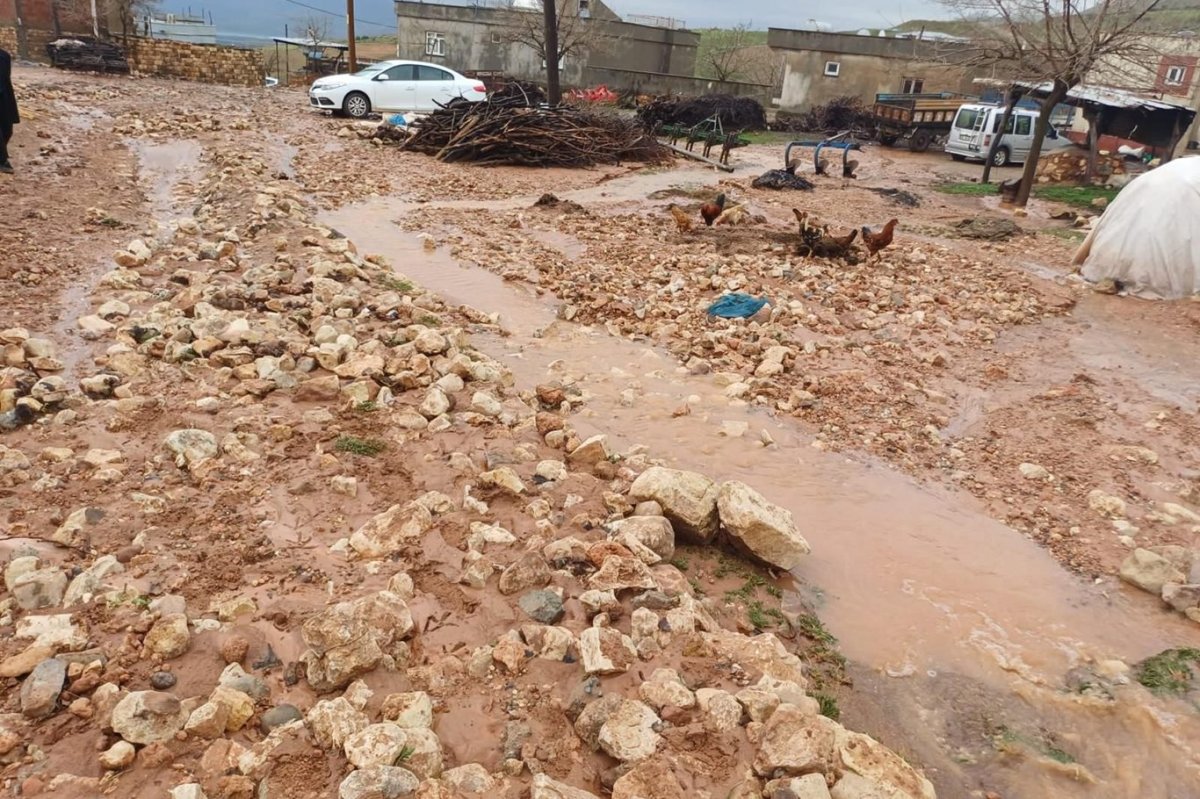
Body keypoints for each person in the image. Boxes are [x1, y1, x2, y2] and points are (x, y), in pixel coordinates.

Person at [0, 47, 19, 174]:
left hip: (3, 98)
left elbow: (6, 79)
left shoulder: (4, 56)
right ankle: (2, 160)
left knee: (7, 129)